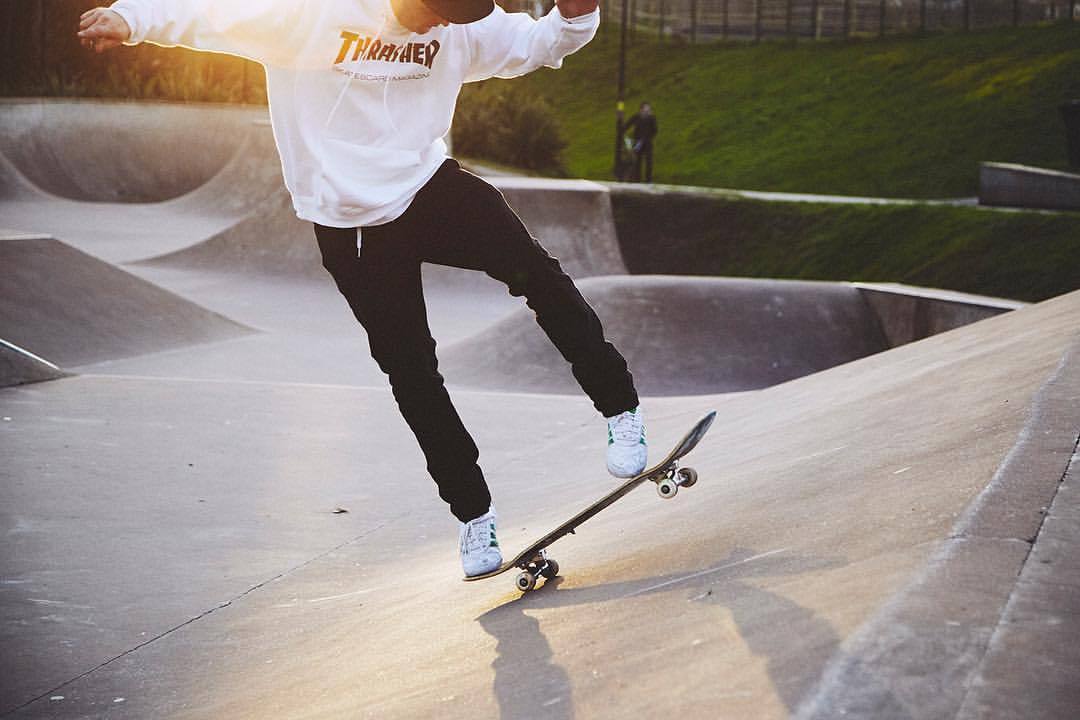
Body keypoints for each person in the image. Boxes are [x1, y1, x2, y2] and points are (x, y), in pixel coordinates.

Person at [78, 0, 648, 578]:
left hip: (427, 188)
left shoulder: (462, 25)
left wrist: (578, 18)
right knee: (411, 368)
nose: (441, 30)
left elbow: (539, 43)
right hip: (350, 223)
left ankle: (620, 407)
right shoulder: (310, 15)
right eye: (434, 17)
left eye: (454, 23)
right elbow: (213, 15)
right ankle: (475, 516)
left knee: (539, 276)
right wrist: (132, 20)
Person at [624, 101, 658, 183]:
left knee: (649, 161)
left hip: (647, 143)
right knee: (638, 162)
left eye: (648, 110)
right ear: (641, 110)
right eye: (645, 109)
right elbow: (627, 125)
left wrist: (648, 137)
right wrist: (623, 131)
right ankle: (637, 179)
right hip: (638, 143)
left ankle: (648, 180)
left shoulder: (652, 118)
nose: (647, 111)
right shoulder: (636, 117)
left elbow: (655, 130)